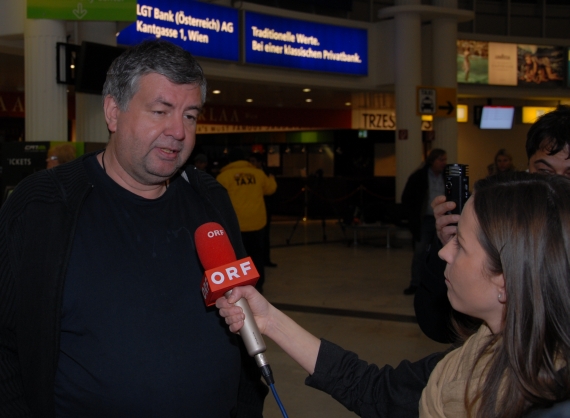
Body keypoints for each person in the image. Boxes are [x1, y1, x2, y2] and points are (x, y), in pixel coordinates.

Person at [0, 40, 267, 417]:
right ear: (113, 111)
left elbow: (243, 314)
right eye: (161, 110)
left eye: (190, 115)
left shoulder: (211, 198)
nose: (178, 131)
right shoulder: (42, 205)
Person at [218, 172, 570, 418]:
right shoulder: (477, 354)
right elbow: (376, 391)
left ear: (506, 279)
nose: (444, 253)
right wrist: (269, 320)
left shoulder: (546, 401)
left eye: (461, 244)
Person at [415, 105, 570, 344]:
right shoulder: (503, 228)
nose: (557, 186)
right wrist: (455, 248)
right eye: (545, 172)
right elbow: (439, 326)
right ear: (528, 168)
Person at [217, 148, 277, 293]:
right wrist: (272, 179)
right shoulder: (258, 173)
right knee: (257, 255)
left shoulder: (224, 177)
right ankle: (259, 284)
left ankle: (240, 286)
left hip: (236, 225)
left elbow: (217, 199)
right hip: (257, 222)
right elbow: (270, 189)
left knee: (238, 257)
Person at [401, 148, 447, 295]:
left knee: (444, 252)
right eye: (441, 160)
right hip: (425, 219)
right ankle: (416, 283)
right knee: (420, 251)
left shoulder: (447, 177)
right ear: (432, 161)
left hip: (443, 219)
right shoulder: (419, 177)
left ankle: (441, 283)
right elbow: (407, 198)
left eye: (445, 160)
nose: (443, 163)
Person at [249, 152, 278, 268]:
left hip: (264, 208)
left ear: (260, 163)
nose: (251, 164)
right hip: (253, 209)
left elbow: (271, 189)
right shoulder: (251, 173)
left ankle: (266, 259)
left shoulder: (264, 173)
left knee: (265, 237)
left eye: (253, 161)